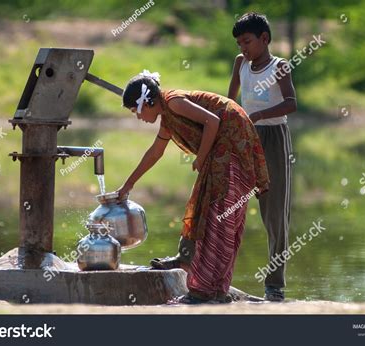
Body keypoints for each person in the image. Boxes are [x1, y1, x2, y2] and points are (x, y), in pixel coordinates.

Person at [117, 70, 269, 303]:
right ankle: (210, 284)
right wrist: (128, 185)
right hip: (222, 144)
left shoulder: (173, 102)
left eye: (135, 110)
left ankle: (206, 289)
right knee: (210, 211)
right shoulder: (167, 117)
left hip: (232, 139)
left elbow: (213, 121)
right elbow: (155, 152)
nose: (137, 116)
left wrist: (201, 158)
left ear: (147, 102)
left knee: (219, 215)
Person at [228, 12, 297, 301]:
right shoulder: (240, 63)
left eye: (247, 41)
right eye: (239, 43)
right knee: (225, 203)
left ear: (264, 39)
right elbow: (230, 100)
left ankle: (274, 285)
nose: (243, 47)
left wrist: (258, 115)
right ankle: (210, 272)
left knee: (274, 214)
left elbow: (291, 103)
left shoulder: (280, 67)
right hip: (244, 138)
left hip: (272, 139)